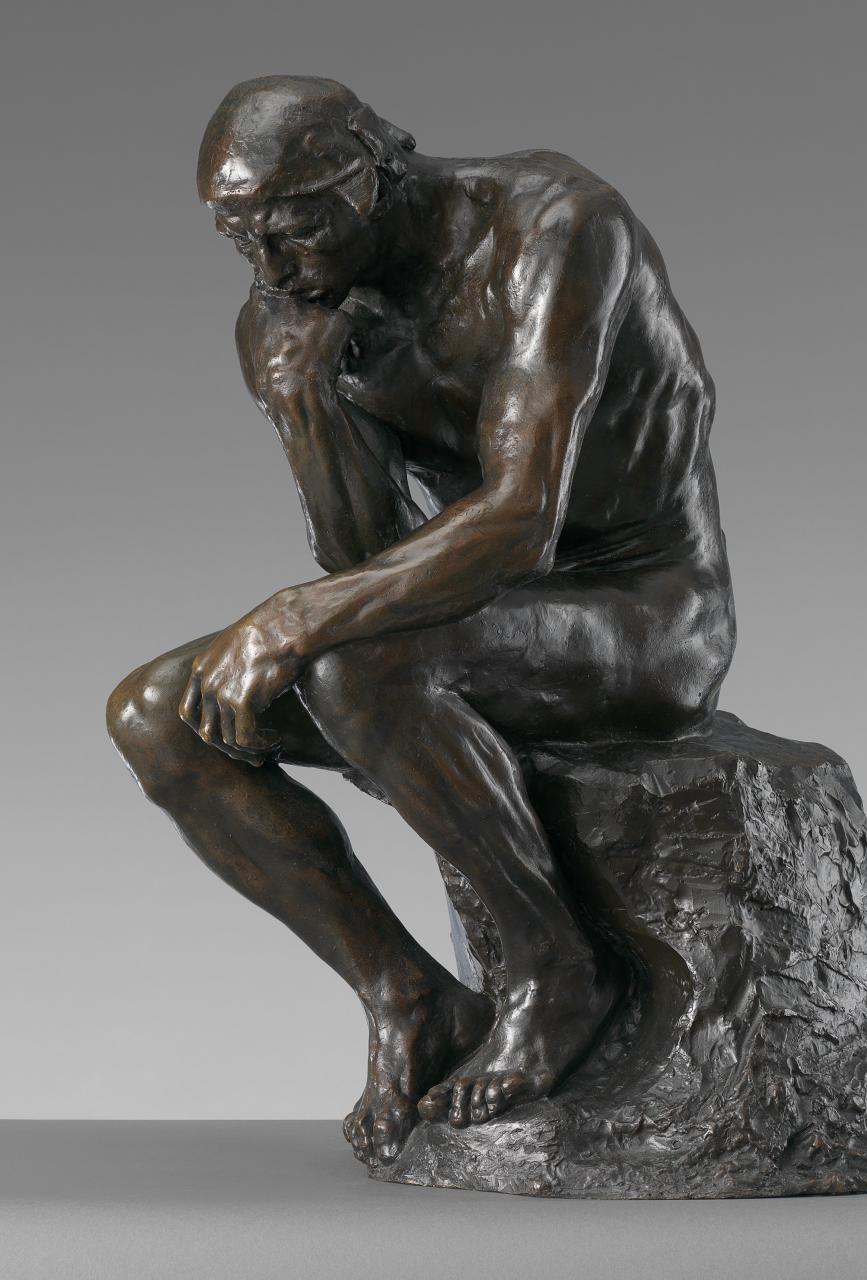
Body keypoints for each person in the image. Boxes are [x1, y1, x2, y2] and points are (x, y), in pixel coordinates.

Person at [107, 75, 737, 1165]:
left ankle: (557, 968)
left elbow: (522, 522)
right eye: (240, 234)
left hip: (645, 607)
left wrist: (296, 618)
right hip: (477, 619)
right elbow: (368, 563)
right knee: (158, 715)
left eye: (296, 223)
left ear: (375, 164)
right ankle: (406, 992)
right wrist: (305, 409)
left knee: (348, 664)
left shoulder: (552, 227)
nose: (270, 263)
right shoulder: (292, 310)